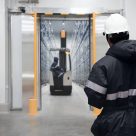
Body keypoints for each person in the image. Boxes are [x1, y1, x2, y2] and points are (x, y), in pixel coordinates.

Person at [84, 13, 136, 136]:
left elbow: (95, 100)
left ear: (108, 38)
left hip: (114, 126)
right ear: (127, 35)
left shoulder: (102, 66)